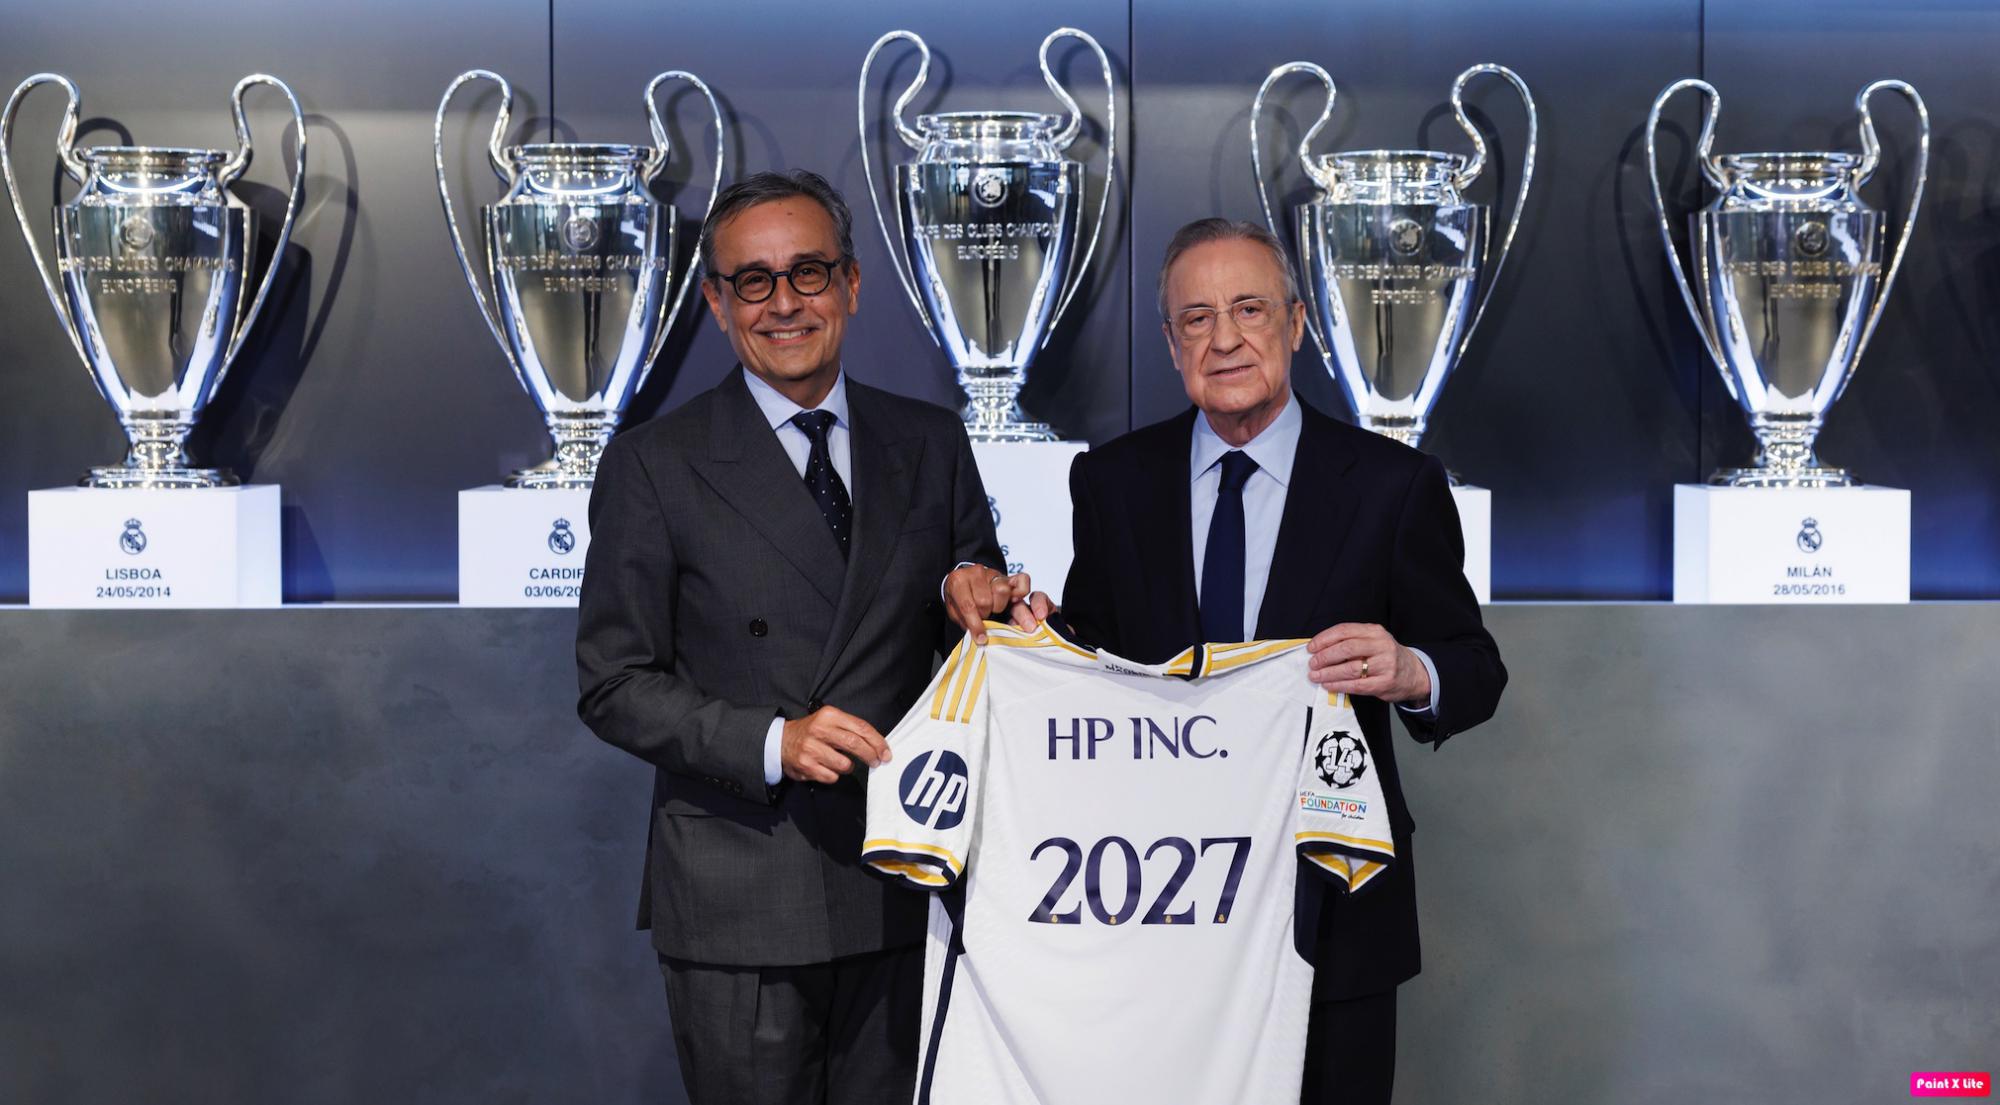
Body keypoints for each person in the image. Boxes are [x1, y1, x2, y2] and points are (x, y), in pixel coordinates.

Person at [950, 217, 1507, 1104]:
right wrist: (1043, 639)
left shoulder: (1394, 485)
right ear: (1171, 344)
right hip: (1155, 903)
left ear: (1296, 322)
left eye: (1249, 309)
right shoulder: (1114, 481)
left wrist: (1411, 671)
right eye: (1197, 318)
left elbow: (1475, 667)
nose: (1225, 339)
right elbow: (1098, 655)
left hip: (1332, 902)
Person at [576, 169, 1008, 1105]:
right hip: (742, 896)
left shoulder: (930, 440)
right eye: (754, 281)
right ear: (717, 303)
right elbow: (614, 681)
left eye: (808, 272)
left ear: (851, 283)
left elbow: (969, 622)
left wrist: (981, 600)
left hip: (905, 874)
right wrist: (776, 741)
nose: (784, 303)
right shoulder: (655, 463)